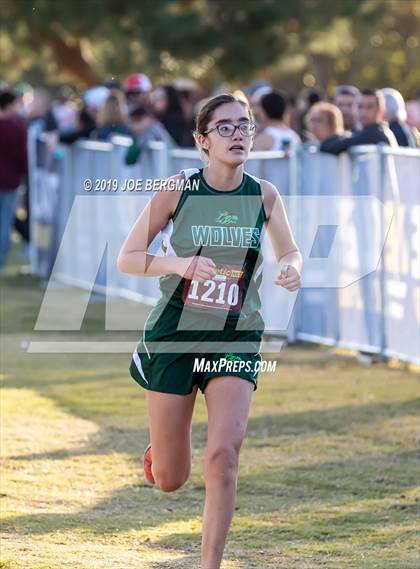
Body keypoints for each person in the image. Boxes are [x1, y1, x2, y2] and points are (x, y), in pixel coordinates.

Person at [117, 93, 302, 569]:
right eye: (225, 128)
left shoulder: (264, 194)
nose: (238, 134)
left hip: (236, 335)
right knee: (170, 479)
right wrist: (181, 264)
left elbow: (290, 251)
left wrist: (291, 268)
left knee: (223, 454)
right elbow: (128, 257)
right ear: (202, 140)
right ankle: (161, 450)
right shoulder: (178, 190)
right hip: (175, 336)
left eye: (244, 125)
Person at [320, 88, 398, 155]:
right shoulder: (363, 131)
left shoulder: (377, 134)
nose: (364, 112)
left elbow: (331, 147)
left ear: (381, 110)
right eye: (360, 106)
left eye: (369, 107)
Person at [0, 90, 28, 272]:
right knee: (5, 222)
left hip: (8, 180)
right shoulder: (15, 127)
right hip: (9, 180)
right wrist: (25, 172)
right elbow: (21, 155)